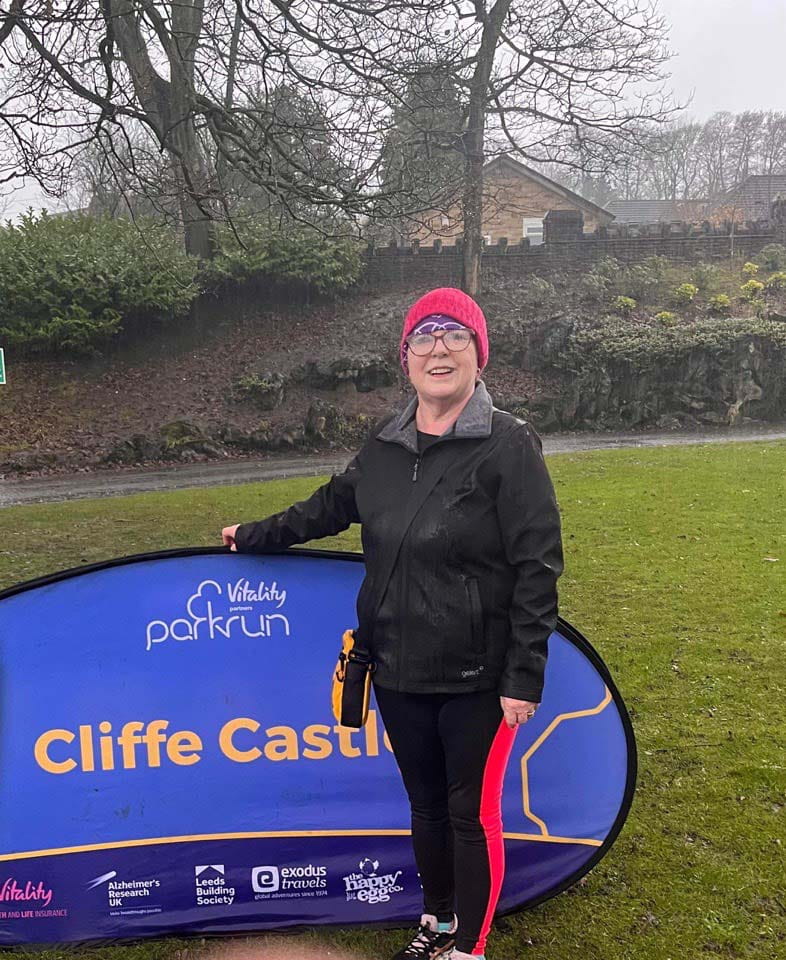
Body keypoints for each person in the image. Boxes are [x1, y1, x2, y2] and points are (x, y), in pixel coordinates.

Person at [221, 287, 564, 960]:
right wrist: (253, 535)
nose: (439, 348)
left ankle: (469, 946)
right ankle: (435, 924)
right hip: (398, 669)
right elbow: (327, 508)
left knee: (470, 815)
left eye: (455, 335)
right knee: (427, 808)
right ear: (405, 358)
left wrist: (523, 675)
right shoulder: (383, 444)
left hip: (478, 677)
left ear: (478, 354)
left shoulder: (509, 444)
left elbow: (538, 566)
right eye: (425, 337)